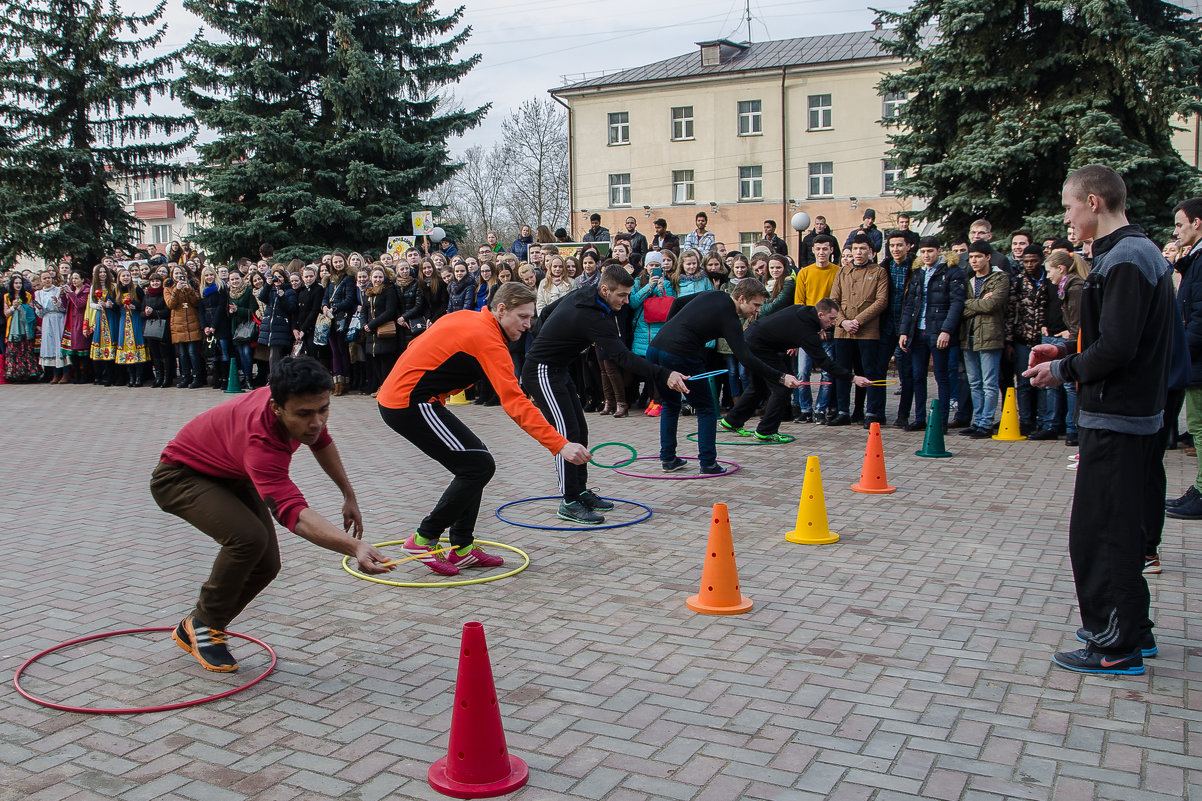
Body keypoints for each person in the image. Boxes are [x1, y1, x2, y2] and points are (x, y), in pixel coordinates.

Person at [1025, 164, 1174, 676]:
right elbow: (1115, 334)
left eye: (1068, 207)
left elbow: (1119, 348)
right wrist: (1065, 346)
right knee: (1117, 528)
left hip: (1119, 417)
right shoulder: (1129, 254)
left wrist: (1061, 370)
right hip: (1123, 414)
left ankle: (1117, 644)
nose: (1066, 218)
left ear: (1092, 202)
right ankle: (1135, 628)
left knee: (1102, 533)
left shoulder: (1128, 257)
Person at [151, 356, 391, 672]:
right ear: (277, 407)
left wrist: (349, 494)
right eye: (304, 414)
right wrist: (353, 547)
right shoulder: (261, 442)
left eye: (323, 409)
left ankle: (199, 625)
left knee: (267, 564)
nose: (316, 422)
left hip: (231, 473)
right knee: (248, 539)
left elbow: (322, 441)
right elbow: (294, 514)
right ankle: (205, 626)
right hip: (181, 476)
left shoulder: (294, 400)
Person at [376, 282, 590, 575]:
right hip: (409, 403)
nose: (529, 325)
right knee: (477, 466)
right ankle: (423, 539)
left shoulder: (470, 317)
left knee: (475, 462)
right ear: (501, 310)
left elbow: (420, 346)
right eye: (523, 317)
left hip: (412, 398)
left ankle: (462, 548)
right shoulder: (488, 338)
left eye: (531, 317)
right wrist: (559, 444)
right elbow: (515, 402)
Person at [524, 266, 689, 524]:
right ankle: (568, 501)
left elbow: (546, 312)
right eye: (622, 296)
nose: (626, 301)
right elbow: (623, 357)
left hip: (559, 370)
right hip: (541, 371)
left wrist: (555, 339)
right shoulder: (592, 317)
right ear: (605, 290)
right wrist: (665, 374)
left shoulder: (585, 295)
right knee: (566, 436)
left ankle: (579, 491)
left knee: (580, 431)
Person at [648, 280, 803, 473]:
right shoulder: (729, 317)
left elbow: (677, 303)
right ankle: (708, 463)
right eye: (755, 305)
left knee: (671, 405)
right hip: (681, 354)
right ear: (742, 298)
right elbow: (746, 357)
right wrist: (780, 377)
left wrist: (670, 330)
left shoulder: (713, 294)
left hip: (655, 349)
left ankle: (668, 459)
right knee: (706, 408)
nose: (757, 311)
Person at [723, 299, 872, 441]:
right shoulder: (808, 332)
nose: (833, 323)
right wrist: (853, 378)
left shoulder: (802, 309)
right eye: (831, 319)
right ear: (820, 315)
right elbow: (825, 363)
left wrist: (791, 340)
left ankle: (732, 421)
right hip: (760, 347)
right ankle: (765, 431)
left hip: (749, 339)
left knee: (758, 387)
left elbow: (783, 324)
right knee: (783, 387)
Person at [898, 236, 965, 432]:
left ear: (939, 251)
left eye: (930, 251)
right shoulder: (918, 273)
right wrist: (904, 331)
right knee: (918, 375)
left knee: (941, 376)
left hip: (938, 332)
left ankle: (941, 421)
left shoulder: (952, 272)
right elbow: (909, 304)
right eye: (923, 252)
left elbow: (956, 304)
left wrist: (946, 330)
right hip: (917, 332)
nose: (926, 255)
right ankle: (919, 418)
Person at [828, 234, 889, 427]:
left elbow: (881, 301)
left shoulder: (879, 272)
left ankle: (870, 411)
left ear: (870, 251)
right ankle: (843, 411)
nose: (858, 252)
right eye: (855, 248)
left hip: (868, 330)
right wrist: (843, 321)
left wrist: (858, 320)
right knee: (843, 371)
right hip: (843, 331)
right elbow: (833, 301)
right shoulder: (843, 272)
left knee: (868, 371)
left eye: (862, 248)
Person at [1166, 197, 1202, 520]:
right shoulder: (1195, 257)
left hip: (1197, 358)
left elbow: (1199, 315)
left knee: (1199, 426)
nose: (1176, 232)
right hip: (1195, 357)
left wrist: (1184, 353)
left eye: (1180, 224)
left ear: (1197, 223)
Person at [958, 240, 1010, 438]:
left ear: (988, 257)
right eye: (971, 257)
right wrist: (978, 303)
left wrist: (970, 304)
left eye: (978, 257)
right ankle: (977, 421)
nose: (974, 261)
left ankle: (986, 423)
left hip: (989, 336)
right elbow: (959, 307)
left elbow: (993, 305)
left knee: (989, 382)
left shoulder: (1000, 278)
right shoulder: (968, 280)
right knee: (974, 382)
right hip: (968, 335)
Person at [793, 234, 840, 423]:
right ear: (813, 250)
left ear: (831, 250)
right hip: (807, 331)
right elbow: (799, 304)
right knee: (803, 372)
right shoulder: (804, 272)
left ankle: (821, 409)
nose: (821, 252)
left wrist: (825, 325)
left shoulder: (838, 271)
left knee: (827, 372)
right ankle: (806, 409)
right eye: (818, 249)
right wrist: (813, 326)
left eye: (825, 248)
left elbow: (837, 302)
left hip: (829, 330)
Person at [33, 270, 68, 383]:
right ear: (41, 281)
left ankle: (66, 373)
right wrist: (39, 309)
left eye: (49, 277)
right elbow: (40, 313)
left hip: (58, 318)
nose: (47, 280)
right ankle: (55, 373)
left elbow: (64, 308)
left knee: (60, 345)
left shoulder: (58, 290)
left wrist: (58, 303)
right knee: (51, 346)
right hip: (47, 319)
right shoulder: (38, 293)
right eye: (44, 278)